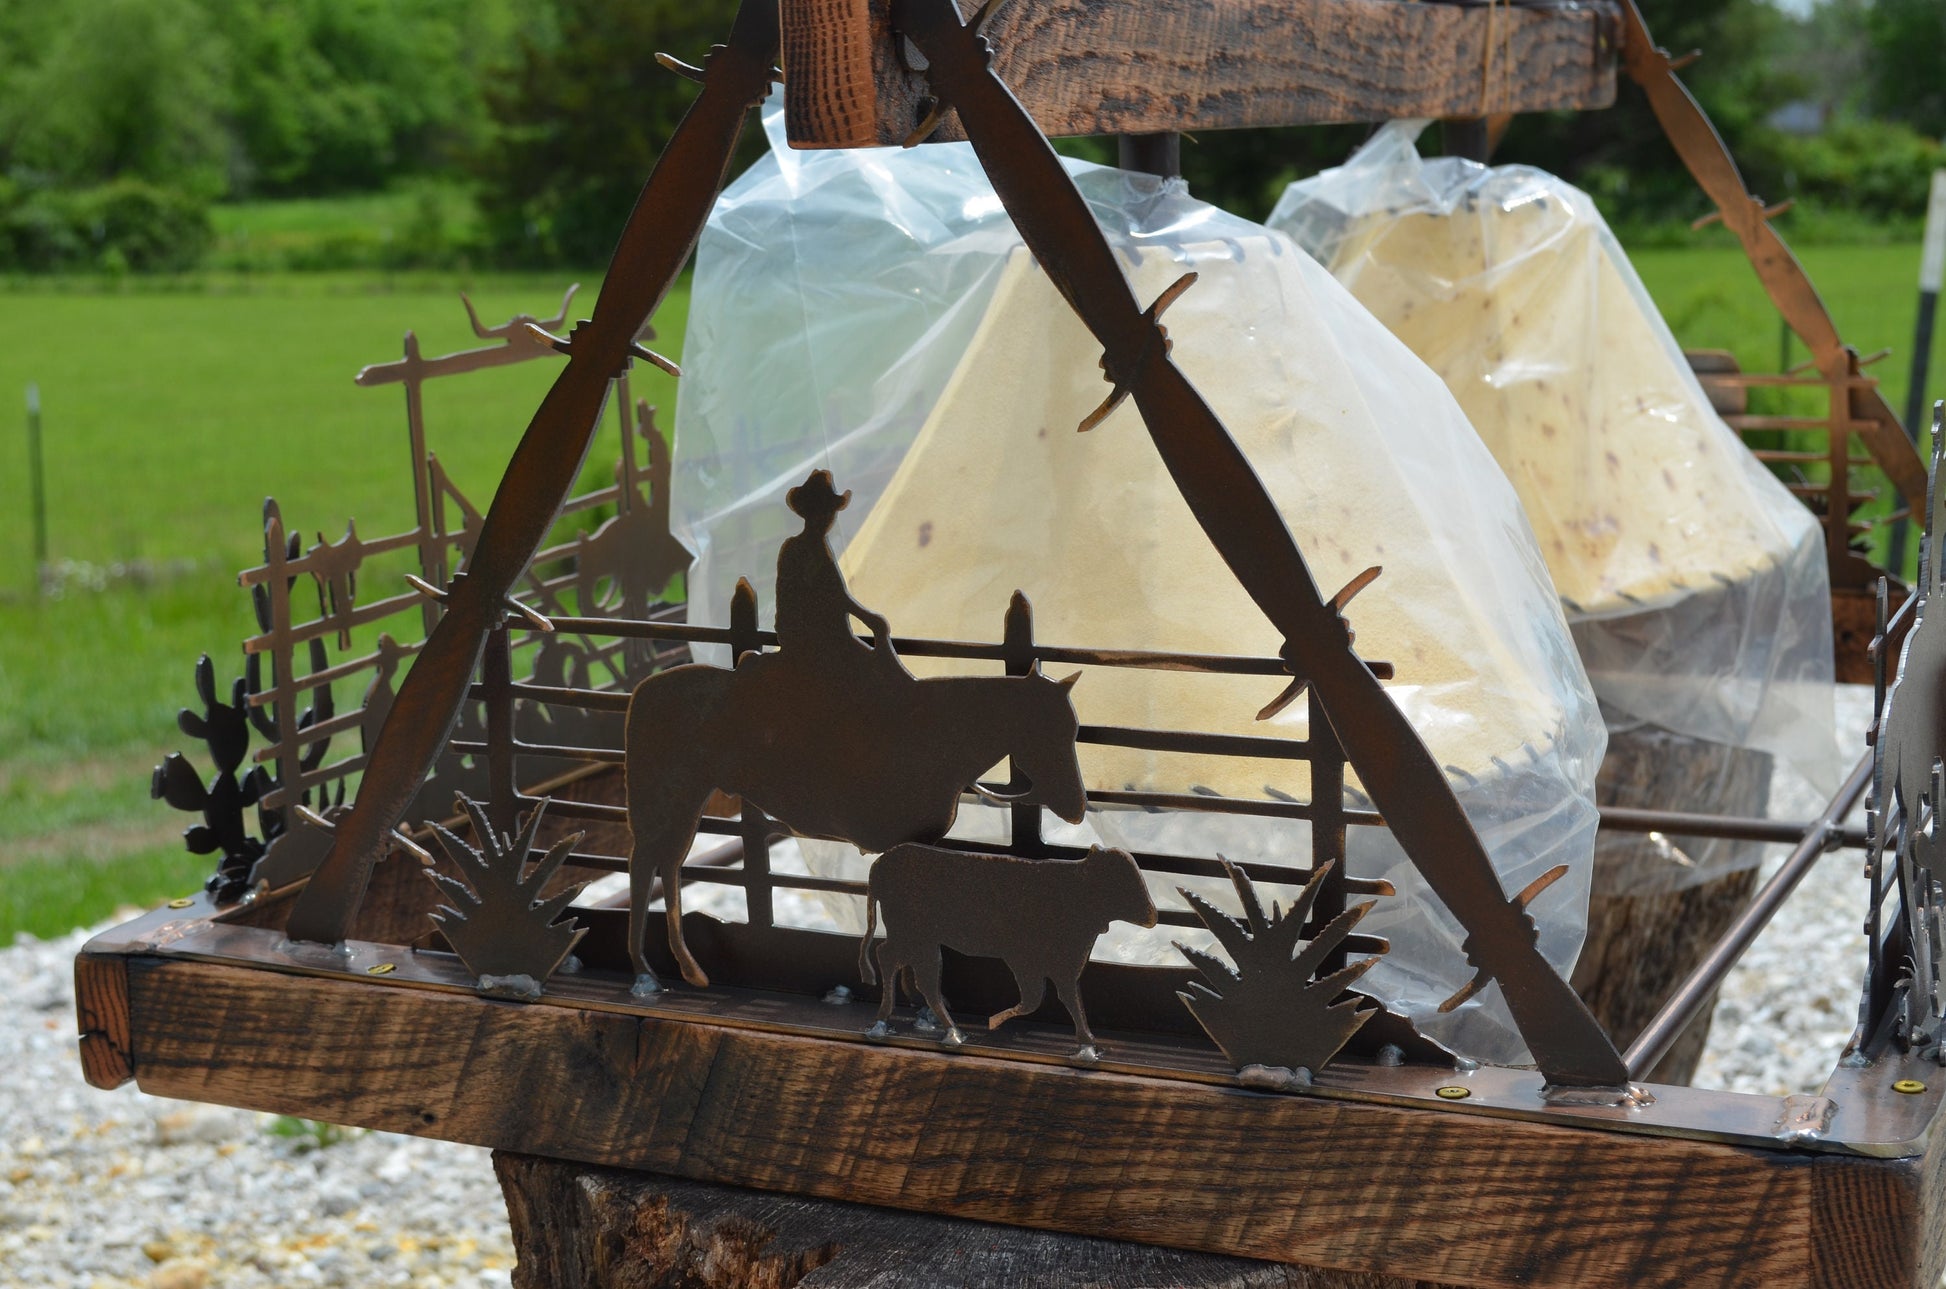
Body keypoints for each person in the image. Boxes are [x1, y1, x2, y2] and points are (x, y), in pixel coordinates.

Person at [771, 470, 901, 674]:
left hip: (824, 635)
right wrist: (870, 619)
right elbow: (834, 596)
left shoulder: (813, 547)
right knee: (873, 671)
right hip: (816, 639)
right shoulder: (803, 549)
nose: (829, 518)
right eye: (826, 512)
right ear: (815, 514)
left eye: (830, 512)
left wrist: (869, 619)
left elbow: (835, 595)